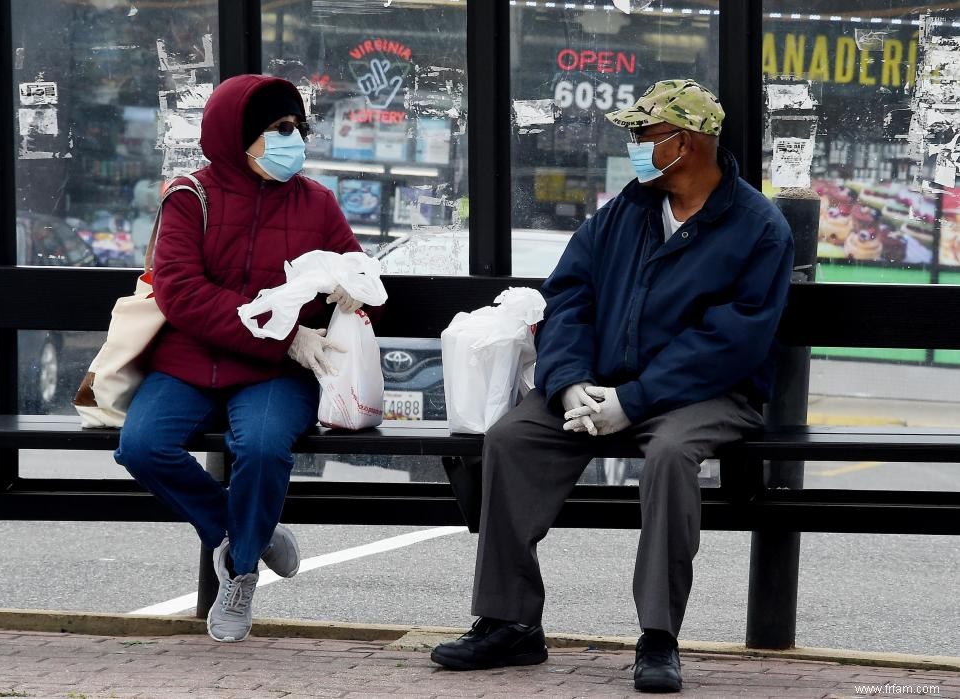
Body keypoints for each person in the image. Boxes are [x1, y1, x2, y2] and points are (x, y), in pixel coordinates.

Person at [431, 79, 794, 693]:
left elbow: (732, 341)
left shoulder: (758, 227)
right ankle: (510, 622)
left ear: (688, 142)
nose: (634, 147)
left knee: (671, 456)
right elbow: (569, 295)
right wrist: (570, 383)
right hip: (600, 385)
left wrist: (634, 400)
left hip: (709, 395)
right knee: (513, 438)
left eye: (644, 135)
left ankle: (658, 636)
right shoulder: (624, 210)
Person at [115, 74, 375, 643]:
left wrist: (355, 287)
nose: (294, 141)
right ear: (239, 135)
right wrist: (285, 336)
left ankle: (240, 571)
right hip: (193, 362)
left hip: (275, 374)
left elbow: (355, 266)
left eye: (297, 129)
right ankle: (247, 534)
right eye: (279, 130)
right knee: (140, 446)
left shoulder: (318, 202)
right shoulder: (189, 196)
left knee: (259, 447)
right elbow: (180, 293)